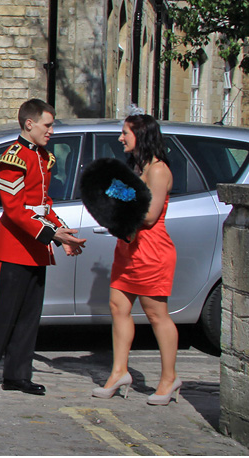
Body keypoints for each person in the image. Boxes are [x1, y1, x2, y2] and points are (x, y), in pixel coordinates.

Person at [0, 98, 86, 395]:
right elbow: (15, 210)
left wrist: (62, 233)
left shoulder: (43, 157)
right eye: (48, 125)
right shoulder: (13, 158)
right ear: (29, 124)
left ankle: (17, 375)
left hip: (35, 248)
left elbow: (43, 204)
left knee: (28, 317)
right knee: (1, 315)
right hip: (12, 248)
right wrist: (53, 235)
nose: (52, 131)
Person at [92, 114, 180, 405]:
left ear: (140, 135)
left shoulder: (157, 170)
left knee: (156, 315)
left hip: (151, 250)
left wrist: (115, 209)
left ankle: (169, 378)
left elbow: (150, 216)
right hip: (128, 248)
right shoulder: (137, 167)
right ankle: (119, 371)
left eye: (125, 133)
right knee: (118, 307)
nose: (121, 138)